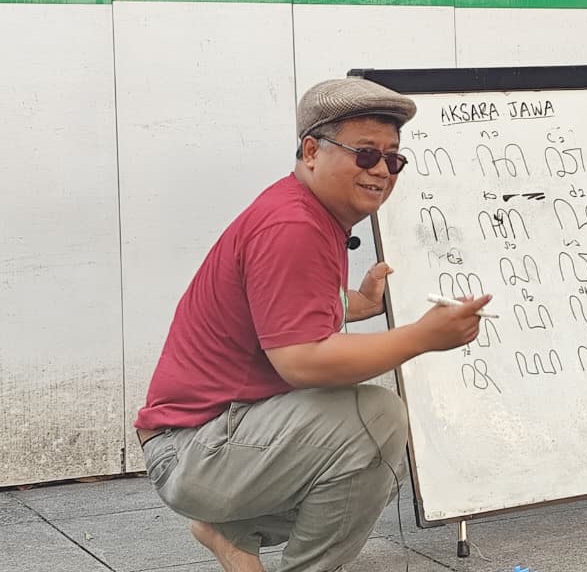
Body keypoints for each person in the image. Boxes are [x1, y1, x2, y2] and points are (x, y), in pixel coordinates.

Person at [134, 77, 492, 572]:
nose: (381, 170)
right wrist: (420, 338)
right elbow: (301, 361)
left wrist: (358, 304)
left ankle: (232, 531)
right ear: (310, 151)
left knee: (368, 453)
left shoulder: (305, 214)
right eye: (366, 154)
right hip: (193, 450)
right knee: (376, 421)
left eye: (394, 159)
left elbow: (282, 308)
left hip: (207, 438)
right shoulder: (293, 225)